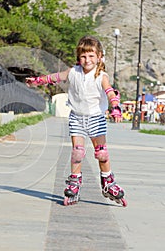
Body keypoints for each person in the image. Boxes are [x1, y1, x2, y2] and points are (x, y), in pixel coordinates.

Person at [26, 35, 127, 207]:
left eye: (91, 56)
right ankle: (74, 183)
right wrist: (37, 81)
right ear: (78, 57)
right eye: (83, 56)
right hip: (77, 118)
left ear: (99, 56)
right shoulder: (73, 72)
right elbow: (55, 77)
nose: (87, 60)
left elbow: (110, 92)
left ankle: (108, 182)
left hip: (96, 117)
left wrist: (115, 106)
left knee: (102, 153)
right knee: (77, 152)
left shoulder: (101, 76)